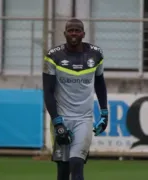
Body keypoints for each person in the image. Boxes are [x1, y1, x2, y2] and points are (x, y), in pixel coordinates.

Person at [42, 18, 108, 180]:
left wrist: (104, 113)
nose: (73, 33)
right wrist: (57, 122)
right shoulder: (52, 56)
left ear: (83, 34)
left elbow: (100, 84)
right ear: (64, 33)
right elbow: (48, 92)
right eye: (70, 30)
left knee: (76, 164)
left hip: (84, 120)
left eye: (77, 30)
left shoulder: (96, 54)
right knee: (63, 172)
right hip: (62, 119)